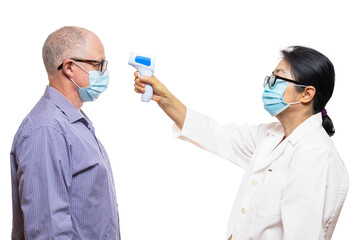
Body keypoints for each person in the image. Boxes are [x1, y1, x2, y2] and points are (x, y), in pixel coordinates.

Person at [134, 46, 349, 239]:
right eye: (270, 79)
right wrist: (164, 98)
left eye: (278, 79)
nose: (269, 86)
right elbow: (215, 134)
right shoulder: (271, 135)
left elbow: (301, 234)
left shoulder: (314, 154)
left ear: (307, 94)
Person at [10, 26, 120, 239]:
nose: (104, 73)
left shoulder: (73, 123)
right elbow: (47, 230)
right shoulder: (46, 131)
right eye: (99, 64)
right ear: (69, 67)